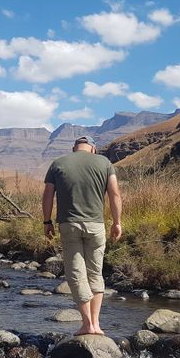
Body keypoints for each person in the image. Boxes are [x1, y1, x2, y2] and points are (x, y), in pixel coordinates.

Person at [42, 136, 122, 335]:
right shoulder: (104, 162)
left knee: (76, 274)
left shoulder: (58, 163)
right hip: (96, 226)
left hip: (69, 225)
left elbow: (48, 196)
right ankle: (96, 324)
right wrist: (117, 222)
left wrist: (47, 221)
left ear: (74, 148)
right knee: (95, 273)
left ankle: (87, 325)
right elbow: (114, 194)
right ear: (93, 149)